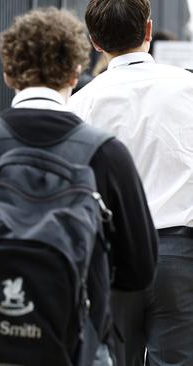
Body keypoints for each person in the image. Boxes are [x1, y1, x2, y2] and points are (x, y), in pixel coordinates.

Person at [0, 8, 158, 365]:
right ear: (77, 70)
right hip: (75, 346)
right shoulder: (105, 153)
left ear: (7, 73)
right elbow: (140, 266)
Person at [69, 1, 193, 365]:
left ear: (94, 41)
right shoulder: (189, 87)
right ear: (149, 31)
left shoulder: (81, 105)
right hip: (180, 254)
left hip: (113, 256)